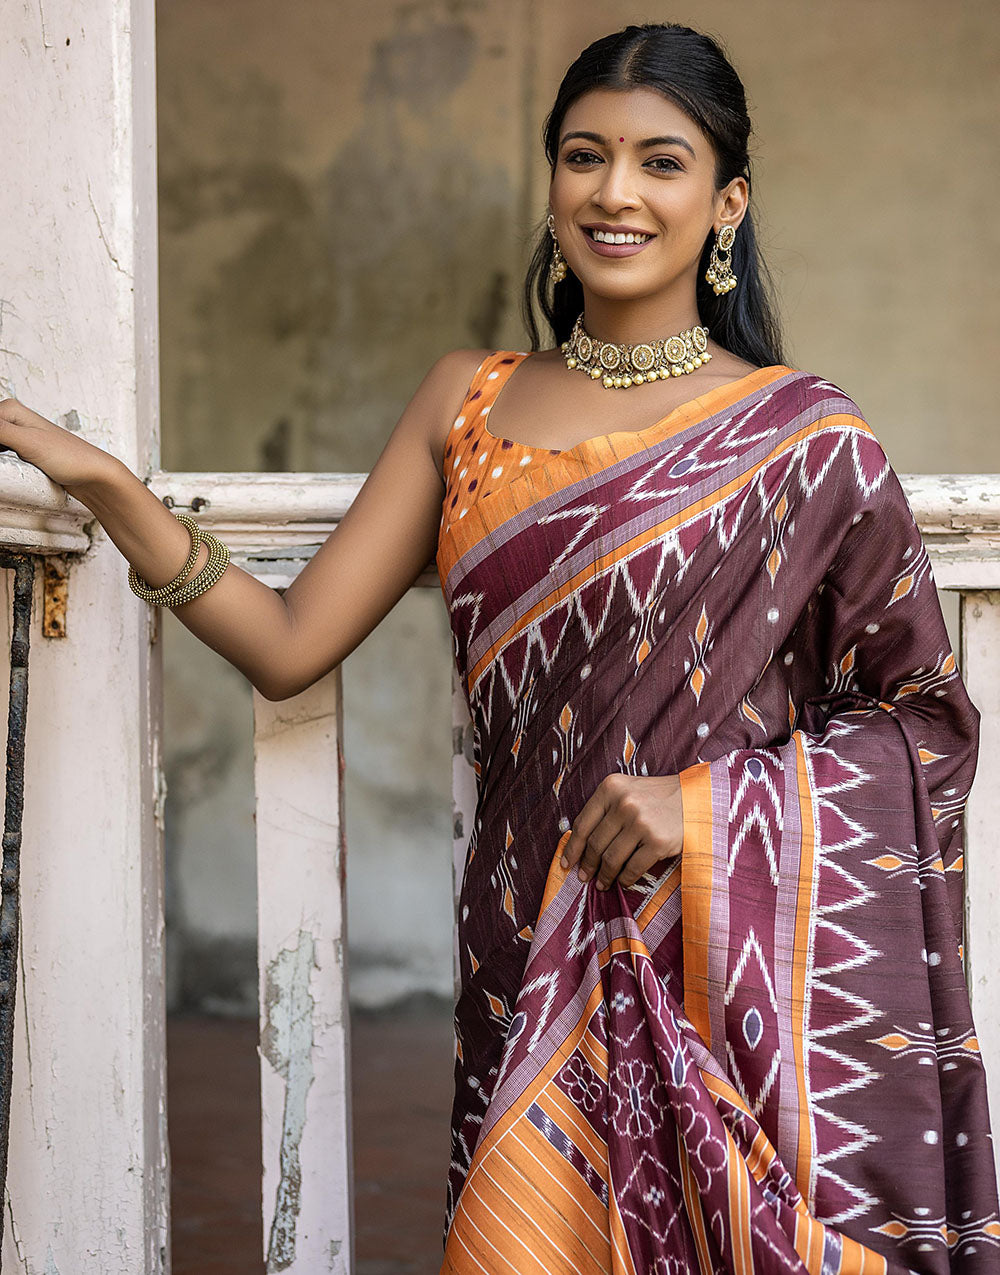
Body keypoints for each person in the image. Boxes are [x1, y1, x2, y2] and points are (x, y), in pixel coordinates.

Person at [1, 18, 997, 1274]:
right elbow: (291, 642)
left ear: (726, 200)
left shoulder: (803, 442)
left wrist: (711, 806)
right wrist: (109, 489)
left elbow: (921, 719)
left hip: (723, 976)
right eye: (583, 156)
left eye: (660, 161)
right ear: (551, 182)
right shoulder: (465, 403)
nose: (614, 192)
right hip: (525, 946)